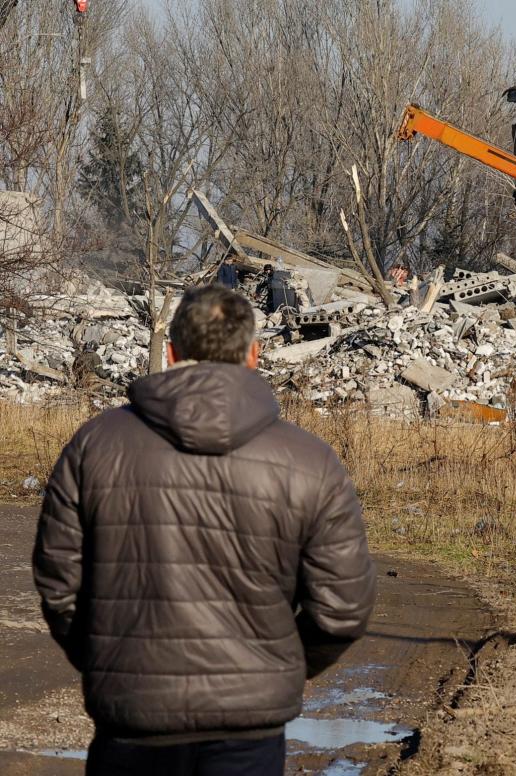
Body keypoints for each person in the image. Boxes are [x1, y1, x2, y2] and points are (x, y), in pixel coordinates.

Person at [33, 285, 376, 776]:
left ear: (171, 353)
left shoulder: (96, 444)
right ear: (254, 355)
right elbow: (342, 607)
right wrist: (277, 666)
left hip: (132, 717)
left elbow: (58, 579)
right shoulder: (309, 460)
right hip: (249, 728)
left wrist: (107, 656)